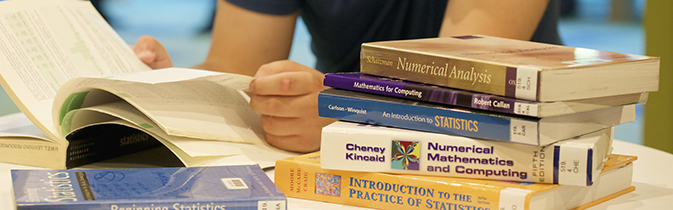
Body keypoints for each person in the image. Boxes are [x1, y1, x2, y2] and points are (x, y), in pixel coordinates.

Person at [132, 0, 562, 153]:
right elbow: (238, 66)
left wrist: (352, 110)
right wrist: (173, 84)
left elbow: (457, 81)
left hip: (517, 138)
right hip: (347, 145)